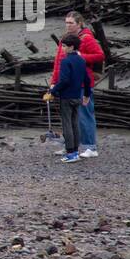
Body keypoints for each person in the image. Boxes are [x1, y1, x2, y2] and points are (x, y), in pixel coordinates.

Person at [50, 11, 104, 157]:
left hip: (82, 83)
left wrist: (81, 56)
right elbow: (58, 62)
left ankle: (90, 147)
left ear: (79, 23)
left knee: (84, 115)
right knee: (69, 117)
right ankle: (70, 146)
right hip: (67, 84)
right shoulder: (65, 39)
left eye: (71, 23)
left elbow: (100, 55)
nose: (68, 25)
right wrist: (54, 81)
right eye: (66, 22)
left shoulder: (87, 38)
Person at [46, 33, 87, 163]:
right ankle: (76, 151)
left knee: (67, 125)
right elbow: (86, 79)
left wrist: (52, 91)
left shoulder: (65, 61)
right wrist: (87, 94)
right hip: (77, 96)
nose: (62, 48)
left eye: (64, 46)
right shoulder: (81, 60)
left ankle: (71, 153)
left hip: (67, 97)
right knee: (75, 124)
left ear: (71, 47)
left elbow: (64, 80)